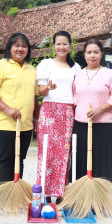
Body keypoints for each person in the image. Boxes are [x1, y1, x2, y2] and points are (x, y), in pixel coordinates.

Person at [0, 33, 39, 185]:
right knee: (6, 159)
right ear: (10, 48)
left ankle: (15, 193)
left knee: (20, 159)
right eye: (17, 46)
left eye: (24, 46)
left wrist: (37, 119)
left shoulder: (31, 69)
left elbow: (34, 97)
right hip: (5, 123)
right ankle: (3, 195)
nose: (20, 49)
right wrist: (7, 109)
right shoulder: (0, 66)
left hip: (26, 125)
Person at [36, 31, 81, 202]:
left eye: (65, 44)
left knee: (64, 153)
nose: (61, 47)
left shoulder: (76, 67)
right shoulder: (46, 64)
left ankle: (62, 193)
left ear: (70, 46)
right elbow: (40, 91)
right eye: (58, 44)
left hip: (67, 111)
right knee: (46, 151)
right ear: (53, 46)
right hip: (49, 111)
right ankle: (46, 195)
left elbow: (78, 92)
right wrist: (48, 87)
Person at [72, 39, 112, 183]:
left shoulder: (109, 74)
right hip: (80, 123)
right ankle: (82, 193)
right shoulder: (78, 74)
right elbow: (73, 98)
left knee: (101, 159)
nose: (92, 55)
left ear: (101, 54)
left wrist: (100, 109)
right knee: (81, 158)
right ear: (84, 55)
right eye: (89, 52)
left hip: (102, 124)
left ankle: (100, 196)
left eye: (96, 52)